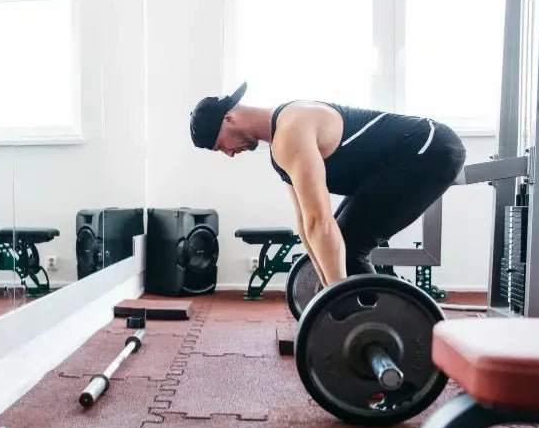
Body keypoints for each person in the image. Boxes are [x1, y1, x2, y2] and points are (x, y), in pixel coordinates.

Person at [189, 82, 465, 287]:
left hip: (430, 148)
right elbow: (307, 227)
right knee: (341, 245)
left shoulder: (291, 130)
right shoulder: (279, 151)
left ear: (229, 119)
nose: (228, 153)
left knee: (350, 246)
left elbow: (320, 222)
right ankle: (358, 319)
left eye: (220, 145)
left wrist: (335, 299)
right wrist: (326, 294)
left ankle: (376, 327)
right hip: (395, 163)